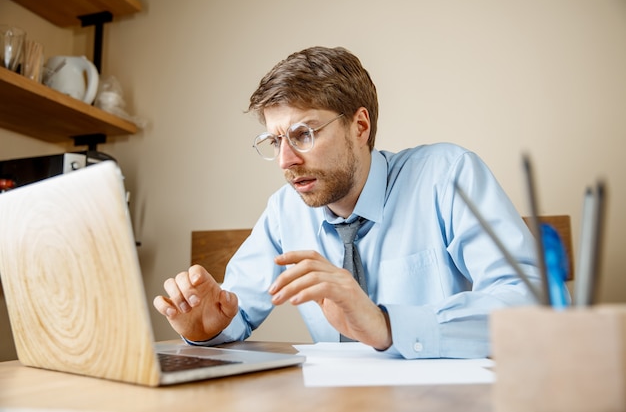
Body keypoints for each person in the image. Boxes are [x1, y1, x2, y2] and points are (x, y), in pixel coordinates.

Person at [153, 46, 541, 359]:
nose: (286, 161)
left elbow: (531, 305)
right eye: (275, 142)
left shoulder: (447, 176)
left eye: (303, 133)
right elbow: (232, 310)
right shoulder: (284, 212)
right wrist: (208, 327)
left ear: (360, 126)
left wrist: (386, 324)